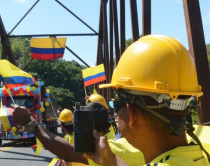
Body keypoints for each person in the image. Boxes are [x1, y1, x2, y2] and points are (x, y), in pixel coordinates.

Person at [83, 35, 210, 165]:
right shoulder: (198, 157)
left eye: (116, 105)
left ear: (132, 114)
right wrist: (110, 160)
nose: (116, 115)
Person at [13, 102, 144, 165]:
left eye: (118, 110)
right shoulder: (149, 151)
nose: (116, 117)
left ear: (132, 114)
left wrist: (30, 123)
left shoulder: (108, 148)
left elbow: (67, 151)